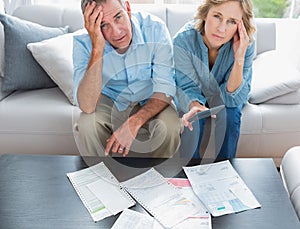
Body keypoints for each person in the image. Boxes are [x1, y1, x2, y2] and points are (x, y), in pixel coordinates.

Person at [73, 0, 181, 158]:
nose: (116, 32)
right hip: (111, 102)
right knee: (87, 124)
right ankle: (103, 177)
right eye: (104, 25)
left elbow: (165, 89)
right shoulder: (82, 43)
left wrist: (134, 122)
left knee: (169, 128)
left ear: (128, 9)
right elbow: (87, 106)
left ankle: (160, 178)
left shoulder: (155, 29)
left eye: (118, 17)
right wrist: (97, 48)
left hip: (151, 99)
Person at [173, 0, 256, 159]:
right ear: (205, 14)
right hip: (196, 95)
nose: (222, 29)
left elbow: (233, 99)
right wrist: (195, 107)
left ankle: (225, 172)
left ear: (240, 25)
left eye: (232, 21)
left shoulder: (247, 44)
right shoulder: (183, 41)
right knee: (194, 118)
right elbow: (186, 87)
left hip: (228, 96)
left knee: (230, 115)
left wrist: (239, 57)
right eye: (217, 16)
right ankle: (189, 174)